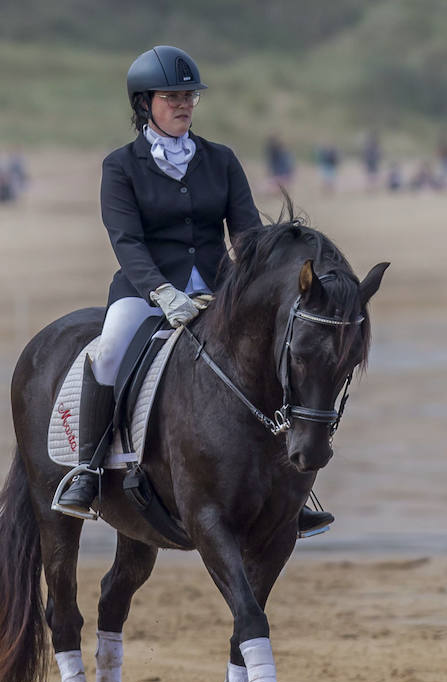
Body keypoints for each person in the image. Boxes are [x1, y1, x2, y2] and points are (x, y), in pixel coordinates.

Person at [53, 45, 333, 537]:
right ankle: (89, 470)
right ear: (145, 104)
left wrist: (251, 283)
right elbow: (127, 241)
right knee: (110, 351)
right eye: (172, 97)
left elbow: (246, 235)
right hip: (144, 293)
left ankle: (294, 485)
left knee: (269, 359)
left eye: (190, 97)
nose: (184, 104)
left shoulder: (220, 160)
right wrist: (161, 291)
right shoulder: (120, 167)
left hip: (220, 291)